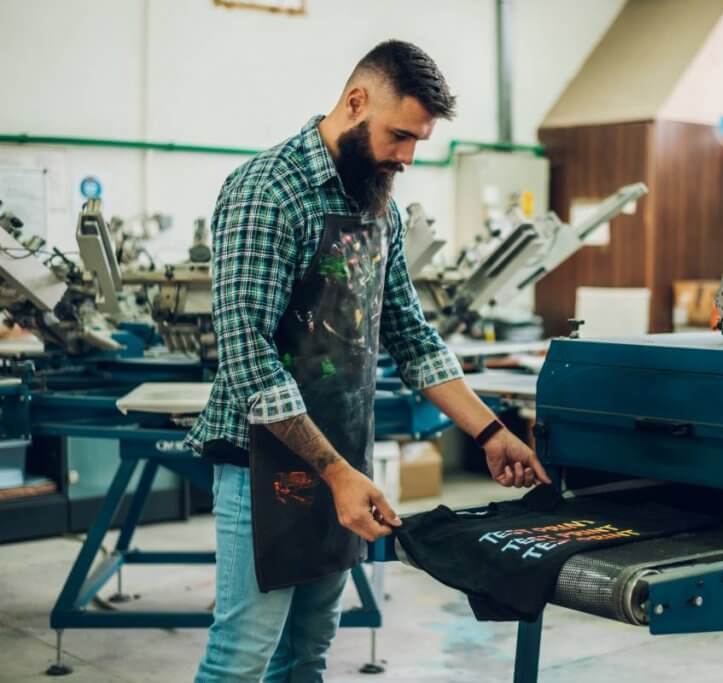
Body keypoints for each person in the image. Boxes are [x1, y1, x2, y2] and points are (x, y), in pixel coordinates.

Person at [185, 39, 549, 682]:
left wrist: (489, 431)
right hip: (263, 463)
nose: (407, 157)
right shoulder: (266, 191)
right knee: (240, 660)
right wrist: (335, 474)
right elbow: (246, 355)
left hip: (343, 468)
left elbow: (410, 334)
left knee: (308, 657)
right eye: (399, 136)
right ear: (356, 102)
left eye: (418, 142)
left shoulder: (376, 201)